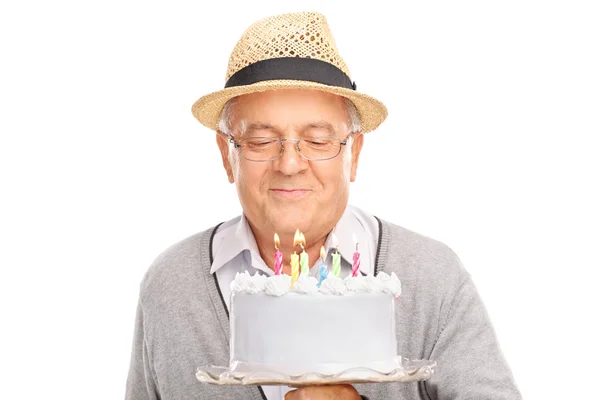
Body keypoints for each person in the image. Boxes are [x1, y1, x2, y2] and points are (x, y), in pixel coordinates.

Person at [125, 11, 521, 400]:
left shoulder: (431, 277)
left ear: (355, 152)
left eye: (318, 141)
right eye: (261, 141)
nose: (290, 164)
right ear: (227, 155)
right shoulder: (171, 284)